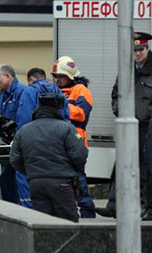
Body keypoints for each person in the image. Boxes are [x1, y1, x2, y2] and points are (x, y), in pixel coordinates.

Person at [97, 32, 152, 220]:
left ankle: (145, 207)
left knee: (146, 168)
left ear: (148, 49)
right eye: (135, 50)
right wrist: (119, 111)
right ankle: (114, 205)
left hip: (147, 127)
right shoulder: (126, 69)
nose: (137, 54)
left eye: (141, 50)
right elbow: (116, 93)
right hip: (128, 126)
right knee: (121, 165)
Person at [10, 93, 88, 222]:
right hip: (62, 183)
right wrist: (74, 170)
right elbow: (81, 152)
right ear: (58, 108)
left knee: (43, 224)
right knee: (68, 224)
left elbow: (15, 159)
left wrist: (32, 171)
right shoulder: (69, 128)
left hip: (36, 184)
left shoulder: (23, 130)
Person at [9, 67, 71, 210]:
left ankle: (30, 213)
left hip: (34, 145)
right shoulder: (58, 91)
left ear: (31, 79)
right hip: (58, 146)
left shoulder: (29, 91)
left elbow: (24, 120)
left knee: (27, 182)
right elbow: (67, 117)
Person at [51, 56, 96, 219]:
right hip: (60, 140)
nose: (58, 80)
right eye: (56, 76)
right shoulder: (56, 91)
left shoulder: (81, 90)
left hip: (76, 140)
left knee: (78, 178)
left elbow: (82, 114)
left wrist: (61, 106)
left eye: (61, 76)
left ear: (70, 75)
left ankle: (87, 211)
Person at [0, 64, 27, 205]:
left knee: (14, 180)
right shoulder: (3, 96)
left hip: (19, 145)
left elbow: (24, 120)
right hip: (7, 146)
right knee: (6, 181)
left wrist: (18, 140)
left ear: (8, 76)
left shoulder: (22, 92)